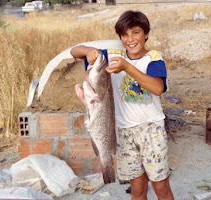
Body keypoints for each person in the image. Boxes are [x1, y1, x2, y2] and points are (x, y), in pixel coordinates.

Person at [70, 10, 174, 200]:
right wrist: (89, 52)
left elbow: (158, 88)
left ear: (146, 34)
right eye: (124, 35)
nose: (130, 39)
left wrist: (127, 67)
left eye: (136, 32)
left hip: (151, 130)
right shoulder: (112, 56)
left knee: (161, 188)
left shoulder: (153, 58)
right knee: (138, 189)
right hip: (125, 132)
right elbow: (74, 50)